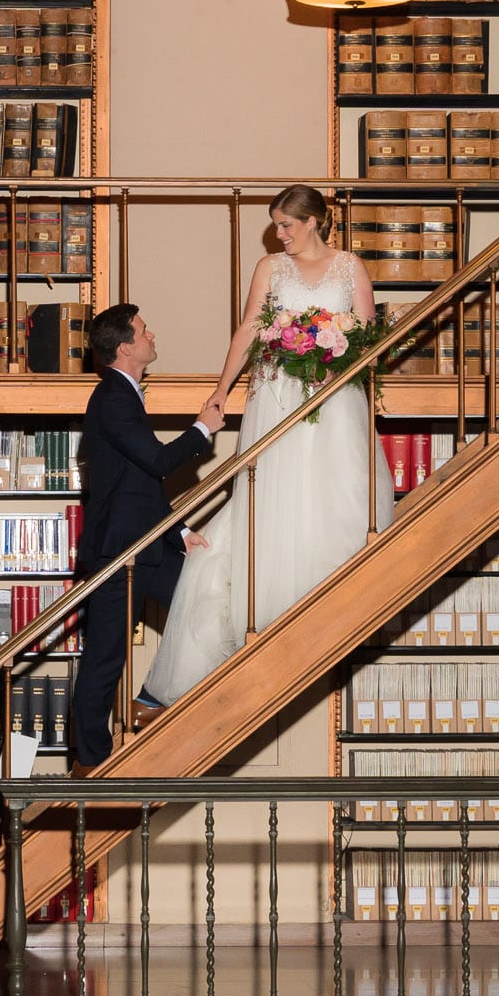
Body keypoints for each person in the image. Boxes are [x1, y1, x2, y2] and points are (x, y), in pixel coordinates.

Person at [140, 185, 394, 709]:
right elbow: (249, 329)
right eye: (276, 225)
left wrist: (345, 359)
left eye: (287, 225)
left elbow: (369, 338)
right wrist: (221, 388)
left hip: (334, 397)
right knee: (272, 490)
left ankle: (330, 605)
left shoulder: (350, 268)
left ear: (316, 221)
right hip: (278, 393)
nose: (279, 234)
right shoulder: (269, 269)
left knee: (334, 491)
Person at [69, 304, 222, 773]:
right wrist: (202, 429)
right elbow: (156, 462)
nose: (151, 333)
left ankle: (153, 699)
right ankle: (89, 764)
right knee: (105, 657)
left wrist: (179, 531)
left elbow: (136, 483)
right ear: (125, 347)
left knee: (206, 605)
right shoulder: (112, 397)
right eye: (142, 330)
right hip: (120, 557)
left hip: (147, 547)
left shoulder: (125, 394)